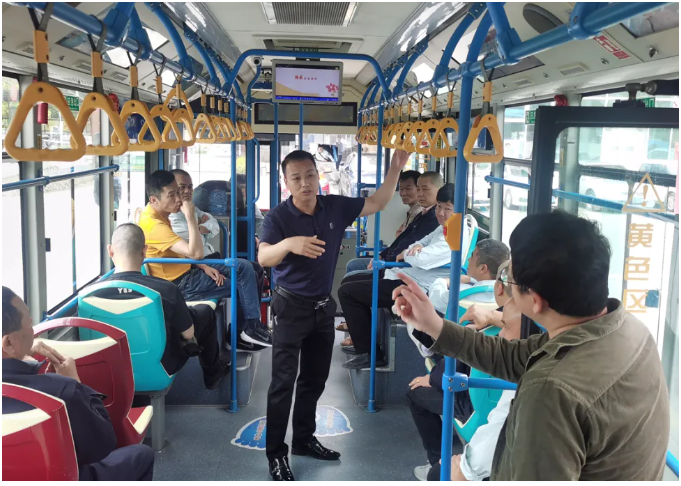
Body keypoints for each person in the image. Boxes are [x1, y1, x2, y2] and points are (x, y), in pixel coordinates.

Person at [391, 211, 670, 480]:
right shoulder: (626, 328)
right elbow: (514, 357)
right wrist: (434, 325)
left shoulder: (551, 392)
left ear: (535, 301)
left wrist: (462, 476)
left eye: (509, 280)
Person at [258, 149, 410, 480]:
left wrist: (396, 168)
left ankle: (303, 440)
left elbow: (379, 202)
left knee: (314, 379)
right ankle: (276, 454)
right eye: (296, 178)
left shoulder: (335, 207)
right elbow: (264, 257)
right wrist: (290, 244)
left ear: (318, 176)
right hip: (289, 308)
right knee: (283, 383)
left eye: (310, 175)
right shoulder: (278, 219)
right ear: (286, 183)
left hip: (322, 307)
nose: (305, 183)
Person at [2, 287, 155, 481]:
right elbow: (103, 444)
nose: (33, 325)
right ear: (8, 343)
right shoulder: (61, 391)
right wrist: (75, 382)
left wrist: (20, 354)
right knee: (142, 454)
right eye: (29, 322)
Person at [338, 183, 466, 369]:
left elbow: (421, 258)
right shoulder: (445, 227)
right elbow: (422, 242)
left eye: (448, 209)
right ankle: (365, 342)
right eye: (439, 206)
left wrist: (407, 253)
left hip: (418, 287)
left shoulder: (456, 235)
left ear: (460, 211)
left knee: (348, 292)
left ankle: (369, 354)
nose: (441, 212)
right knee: (350, 282)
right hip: (408, 276)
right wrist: (415, 248)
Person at [138, 170, 271, 347]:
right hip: (179, 284)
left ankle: (249, 328)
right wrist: (191, 218)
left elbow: (182, 252)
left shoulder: (161, 214)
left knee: (247, 268)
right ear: (154, 200)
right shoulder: (154, 225)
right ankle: (246, 330)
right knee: (245, 278)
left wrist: (202, 266)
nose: (179, 199)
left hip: (189, 269)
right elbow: (196, 253)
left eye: (178, 192)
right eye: (172, 194)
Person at [86, 224, 229, 388]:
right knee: (204, 312)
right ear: (144, 251)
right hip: (161, 365)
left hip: (106, 371)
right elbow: (189, 333)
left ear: (110, 251)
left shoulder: (89, 294)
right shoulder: (166, 289)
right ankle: (212, 373)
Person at [409, 260, 515, 480]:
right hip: (492, 406)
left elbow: (460, 360)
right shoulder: (534, 333)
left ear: (499, 287)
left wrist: (433, 378)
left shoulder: (486, 324)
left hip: (476, 405)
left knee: (415, 394)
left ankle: (437, 460)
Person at [425, 300, 522, 481]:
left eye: (506, 327)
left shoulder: (528, 378)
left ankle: (434, 458)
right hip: (493, 428)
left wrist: (465, 468)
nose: (501, 333)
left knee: (437, 474)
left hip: (478, 414)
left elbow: (501, 428)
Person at [344, 171, 443, 278]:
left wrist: (386, 260)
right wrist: (382, 255)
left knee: (350, 277)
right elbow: (403, 238)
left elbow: (410, 242)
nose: (420, 194)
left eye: (425, 189)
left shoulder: (433, 217)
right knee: (352, 267)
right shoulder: (423, 213)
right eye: (419, 189)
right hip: (393, 261)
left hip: (400, 266)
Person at [428, 239, 510, 315]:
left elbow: (435, 298)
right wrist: (471, 279)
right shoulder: (506, 295)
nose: (469, 260)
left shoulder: (462, 293)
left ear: (482, 268)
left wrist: (446, 281)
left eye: (472, 256)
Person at [169, 169, 220, 258]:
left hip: (209, 256)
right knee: (243, 265)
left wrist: (198, 228)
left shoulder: (192, 208)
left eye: (190, 187)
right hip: (194, 262)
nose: (187, 191)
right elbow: (197, 242)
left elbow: (215, 225)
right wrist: (201, 230)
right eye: (182, 187)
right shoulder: (171, 214)